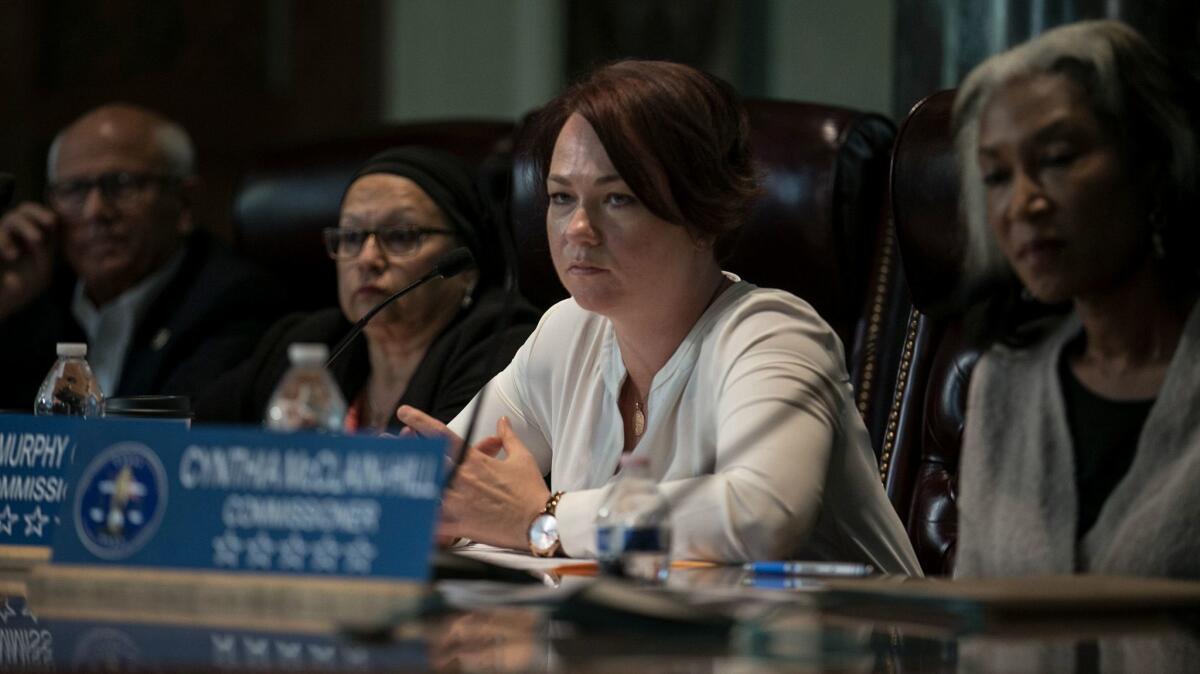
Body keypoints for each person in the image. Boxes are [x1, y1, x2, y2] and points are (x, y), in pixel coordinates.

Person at [398, 61, 921, 571]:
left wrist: (545, 520)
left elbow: (760, 515)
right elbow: (445, 487)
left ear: (703, 215)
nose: (577, 228)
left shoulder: (772, 335)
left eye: (619, 198)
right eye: (561, 197)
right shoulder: (566, 333)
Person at [951, 21, 1200, 578]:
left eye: (1058, 158)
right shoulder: (1003, 381)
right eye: (996, 176)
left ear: (1152, 164)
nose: (1022, 204)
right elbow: (975, 621)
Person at [194, 147, 540, 432]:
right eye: (351, 238)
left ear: (465, 266)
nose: (367, 259)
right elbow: (192, 434)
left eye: (402, 236)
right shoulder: (308, 342)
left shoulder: (502, 346)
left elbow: (437, 487)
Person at [0, 103, 287, 408]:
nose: (95, 210)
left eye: (122, 184)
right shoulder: (31, 297)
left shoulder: (235, 301)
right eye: (74, 189)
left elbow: (168, 438)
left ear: (185, 204)